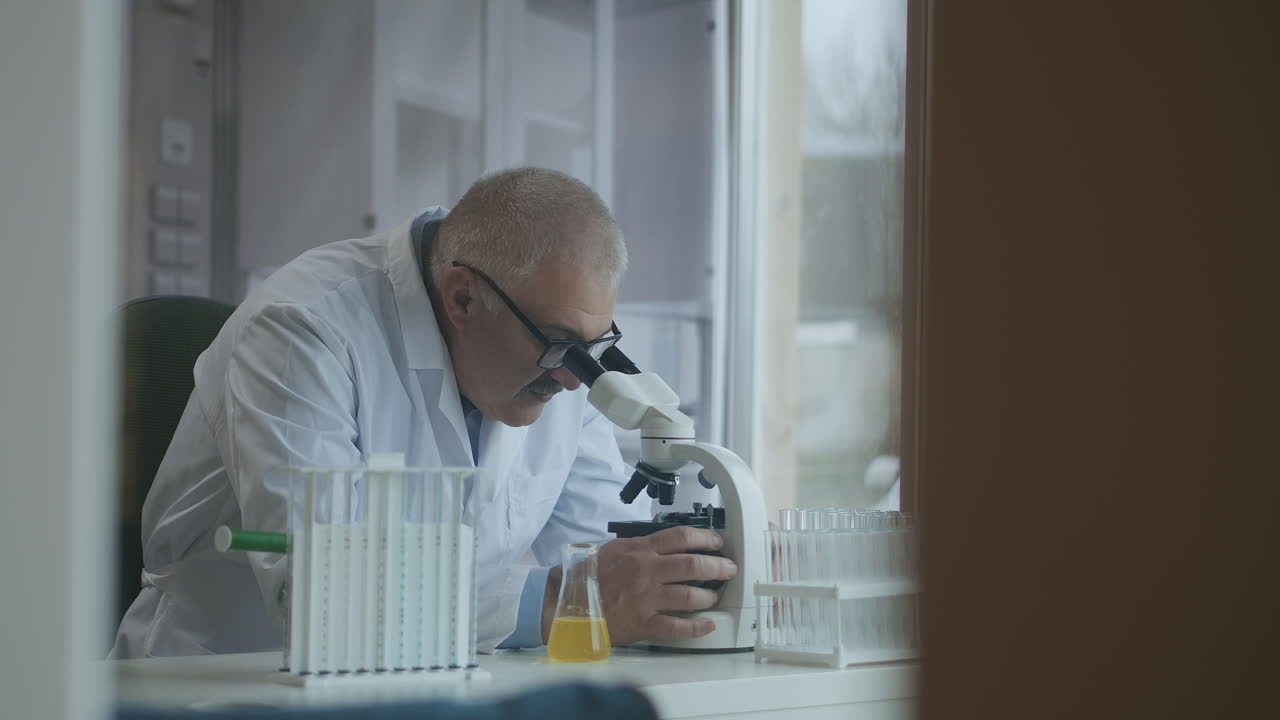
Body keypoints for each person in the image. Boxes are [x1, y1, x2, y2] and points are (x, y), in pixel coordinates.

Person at [112, 167, 737, 658]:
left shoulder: (557, 360)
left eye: (592, 348)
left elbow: (600, 557)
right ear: (462, 298)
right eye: (560, 345)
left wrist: (675, 581)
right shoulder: (302, 331)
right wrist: (557, 598)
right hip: (225, 682)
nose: (576, 379)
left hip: (439, 681)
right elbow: (321, 600)